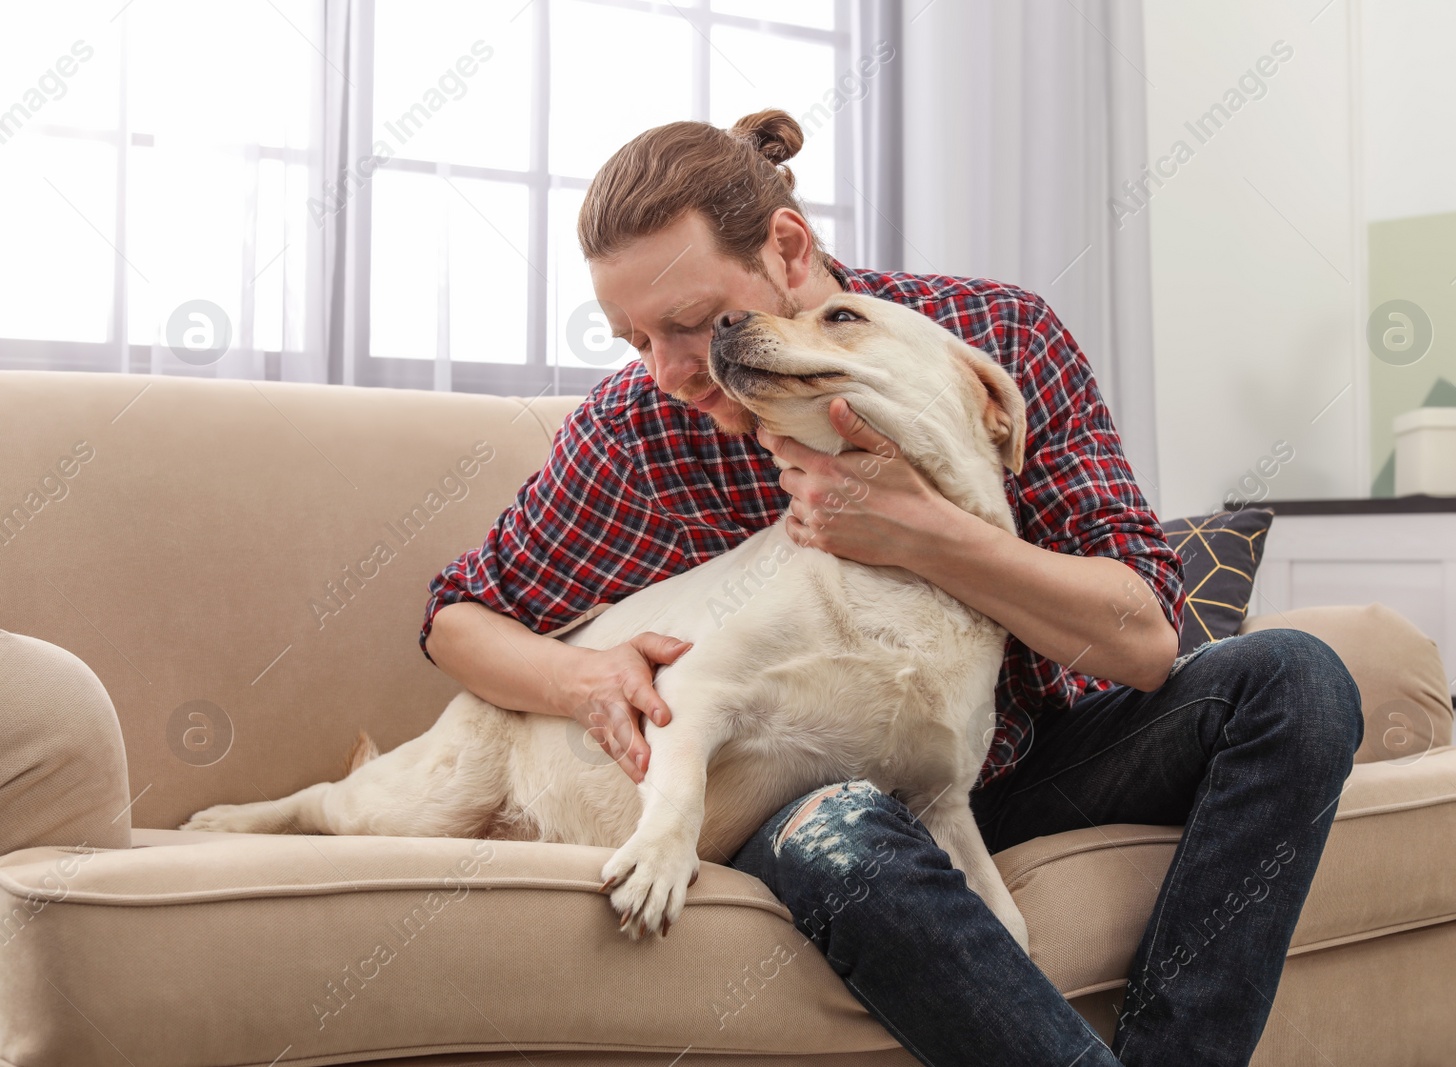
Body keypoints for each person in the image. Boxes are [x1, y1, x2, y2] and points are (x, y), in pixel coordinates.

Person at [419, 108, 1363, 1067]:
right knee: (844, 830)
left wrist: (930, 532)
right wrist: (585, 681)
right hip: (817, 780)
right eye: (634, 338)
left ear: (787, 246)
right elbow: (457, 616)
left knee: (1296, 679)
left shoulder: (991, 337)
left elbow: (1146, 640)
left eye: (694, 324)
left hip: (1024, 761)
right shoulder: (639, 433)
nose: (665, 370)